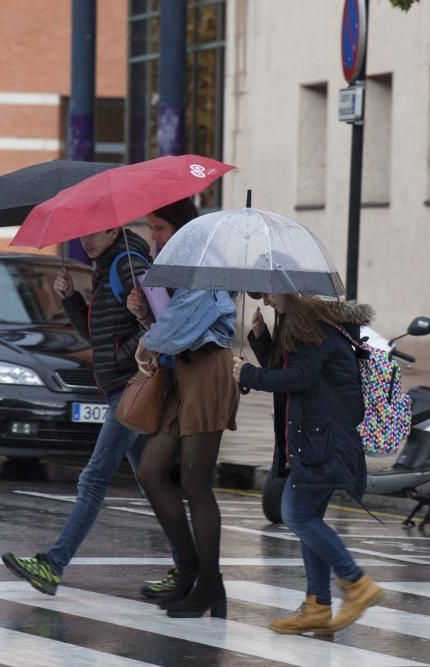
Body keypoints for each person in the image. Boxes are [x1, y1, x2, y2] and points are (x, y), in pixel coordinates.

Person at [1, 225, 171, 596]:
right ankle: (190, 566)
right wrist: (70, 299)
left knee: (93, 480)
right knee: (152, 483)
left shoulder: (128, 264)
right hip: (119, 388)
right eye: (82, 234)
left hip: (130, 389)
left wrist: (118, 357)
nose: (84, 240)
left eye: (94, 233)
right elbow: (97, 335)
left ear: (113, 230)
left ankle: (53, 564)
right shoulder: (106, 265)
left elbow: (160, 322)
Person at [232, 294, 382, 635]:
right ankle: (318, 605)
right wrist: (261, 338)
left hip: (323, 443)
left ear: (290, 289)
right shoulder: (308, 326)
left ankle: (357, 584)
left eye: (270, 292)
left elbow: (297, 378)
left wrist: (248, 374)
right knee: (308, 519)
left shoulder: (314, 328)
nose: (266, 300)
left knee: (296, 515)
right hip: (319, 439)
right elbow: (290, 371)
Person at [127, 198, 240, 619]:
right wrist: (144, 317)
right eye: (151, 228)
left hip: (208, 371)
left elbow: (180, 326)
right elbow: (169, 327)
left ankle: (209, 583)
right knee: (151, 470)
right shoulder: (172, 266)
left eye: (158, 227)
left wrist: (148, 338)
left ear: (180, 226)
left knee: (195, 486)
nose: (153, 236)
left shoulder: (202, 265)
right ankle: (193, 570)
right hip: (182, 374)